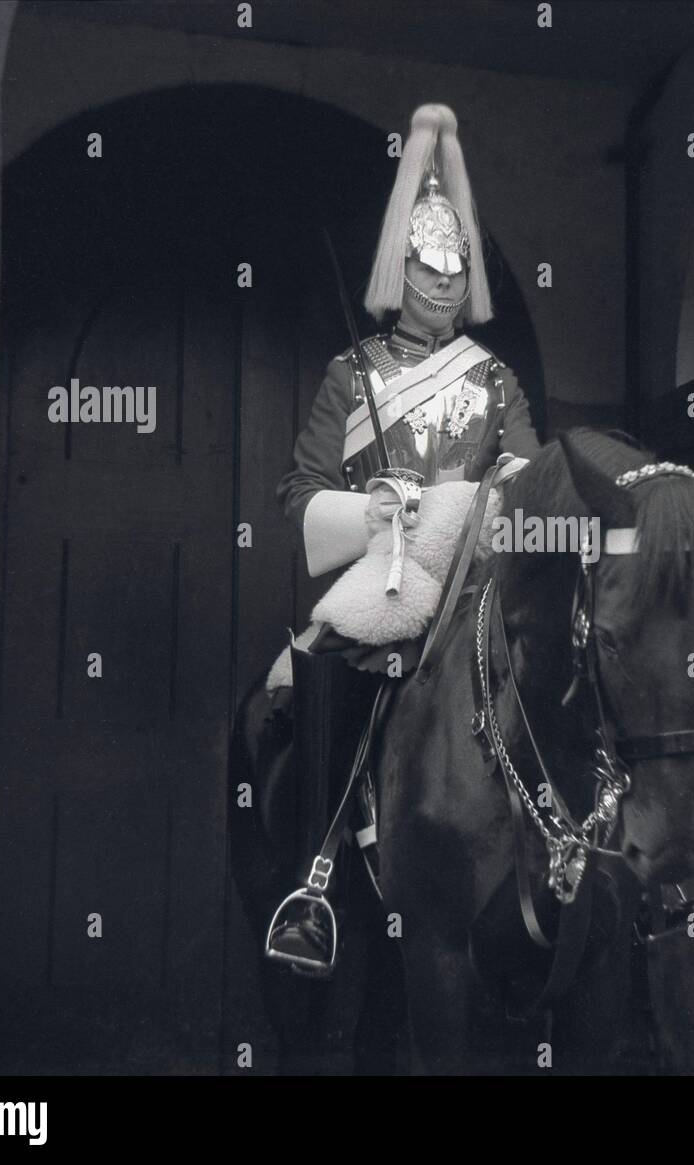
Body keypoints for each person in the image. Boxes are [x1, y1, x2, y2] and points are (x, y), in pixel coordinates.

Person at [264, 103, 540, 996]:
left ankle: (562, 864)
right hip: (384, 586)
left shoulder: (495, 381)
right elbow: (301, 499)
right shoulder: (355, 374)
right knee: (319, 672)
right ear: (402, 265)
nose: (446, 279)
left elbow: (532, 483)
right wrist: (378, 509)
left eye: (459, 265)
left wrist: (493, 496)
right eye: (430, 262)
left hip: (475, 588)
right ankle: (312, 885)